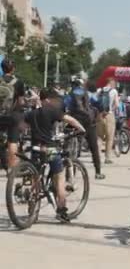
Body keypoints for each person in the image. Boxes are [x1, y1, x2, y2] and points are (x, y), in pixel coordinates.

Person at [25, 87, 86, 222]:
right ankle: (62, 210)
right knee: (60, 177)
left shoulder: (31, 114)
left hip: (36, 148)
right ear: (47, 100)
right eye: (54, 100)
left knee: (36, 175)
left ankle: (33, 208)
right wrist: (82, 129)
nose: (56, 102)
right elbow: (70, 120)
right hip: (50, 149)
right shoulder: (52, 111)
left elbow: (22, 126)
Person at [64, 77, 105, 180]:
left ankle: (70, 174)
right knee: (94, 148)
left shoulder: (70, 95)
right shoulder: (88, 93)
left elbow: (64, 106)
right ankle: (98, 172)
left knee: (71, 149)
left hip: (75, 123)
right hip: (89, 123)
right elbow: (99, 103)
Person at [0, 58, 26, 170]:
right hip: (12, 114)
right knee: (13, 141)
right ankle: (12, 168)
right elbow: (21, 102)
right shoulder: (19, 82)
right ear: (13, 69)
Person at [96, 77, 119, 164]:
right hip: (109, 115)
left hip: (100, 115)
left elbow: (95, 102)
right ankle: (107, 158)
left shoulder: (99, 90)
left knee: (99, 137)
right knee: (110, 137)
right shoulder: (114, 91)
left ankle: (97, 157)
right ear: (111, 82)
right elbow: (116, 105)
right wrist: (110, 110)